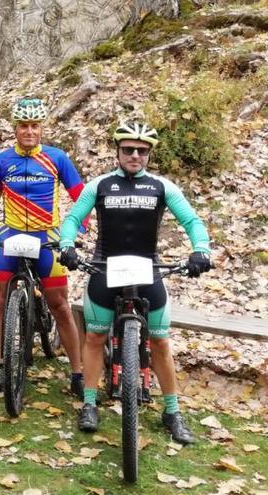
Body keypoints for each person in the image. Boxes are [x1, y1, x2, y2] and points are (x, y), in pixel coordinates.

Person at [58, 121, 211, 444]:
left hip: (148, 270)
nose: (135, 155)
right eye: (128, 149)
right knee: (96, 337)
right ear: (117, 151)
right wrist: (67, 245)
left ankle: (172, 411)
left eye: (142, 151)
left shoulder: (161, 187)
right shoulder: (100, 185)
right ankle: (88, 402)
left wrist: (201, 250)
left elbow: (192, 221)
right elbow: (73, 219)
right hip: (105, 270)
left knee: (160, 342)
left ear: (149, 155)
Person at [0, 97, 83, 394]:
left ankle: (77, 372)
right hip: (12, 235)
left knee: (60, 305)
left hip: (47, 237)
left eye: (35, 126)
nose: (29, 131)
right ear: (15, 128)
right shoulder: (3, 161)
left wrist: (76, 229)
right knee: (0, 300)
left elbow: (81, 197)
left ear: (42, 128)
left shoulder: (57, 158)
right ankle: (2, 364)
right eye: (24, 126)